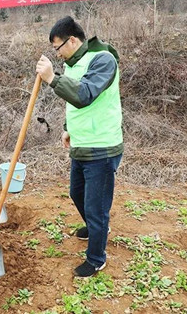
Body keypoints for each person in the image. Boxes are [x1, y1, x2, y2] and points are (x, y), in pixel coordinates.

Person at [36, 16, 123, 277]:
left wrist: (52, 78)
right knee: (77, 194)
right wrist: (67, 128)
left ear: (72, 40)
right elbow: (73, 98)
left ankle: (96, 258)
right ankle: (97, 229)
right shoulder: (73, 64)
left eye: (58, 47)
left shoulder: (103, 59)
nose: (58, 53)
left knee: (96, 208)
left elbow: (85, 95)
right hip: (82, 144)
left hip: (102, 147)